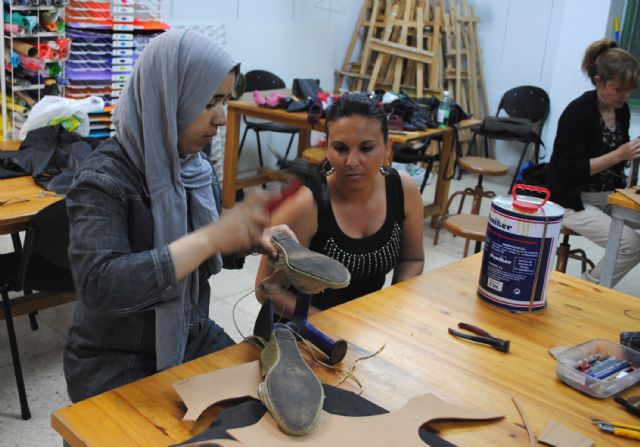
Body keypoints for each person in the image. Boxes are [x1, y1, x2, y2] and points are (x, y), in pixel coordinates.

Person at [63, 30, 286, 402]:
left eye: (225, 101)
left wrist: (249, 237)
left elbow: (206, 250)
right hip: (116, 357)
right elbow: (101, 285)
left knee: (269, 402)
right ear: (167, 100)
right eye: (209, 103)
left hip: (189, 333)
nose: (222, 119)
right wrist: (210, 238)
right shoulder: (102, 180)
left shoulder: (194, 169)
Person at [255, 93, 425, 317]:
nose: (352, 162)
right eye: (341, 148)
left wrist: (393, 305)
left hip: (366, 324)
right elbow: (266, 290)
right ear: (327, 148)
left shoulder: (402, 190)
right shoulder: (306, 204)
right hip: (301, 327)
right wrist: (331, 326)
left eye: (366, 148)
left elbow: (412, 259)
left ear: (387, 148)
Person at [548, 38, 640, 287]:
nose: (626, 95)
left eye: (630, 89)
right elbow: (571, 170)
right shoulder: (578, 112)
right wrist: (619, 155)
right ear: (599, 81)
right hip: (572, 201)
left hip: (609, 197)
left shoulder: (620, 110)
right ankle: (586, 289)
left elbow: (620, 153)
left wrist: (631, 152)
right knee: (631, 245)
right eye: (619, 89)